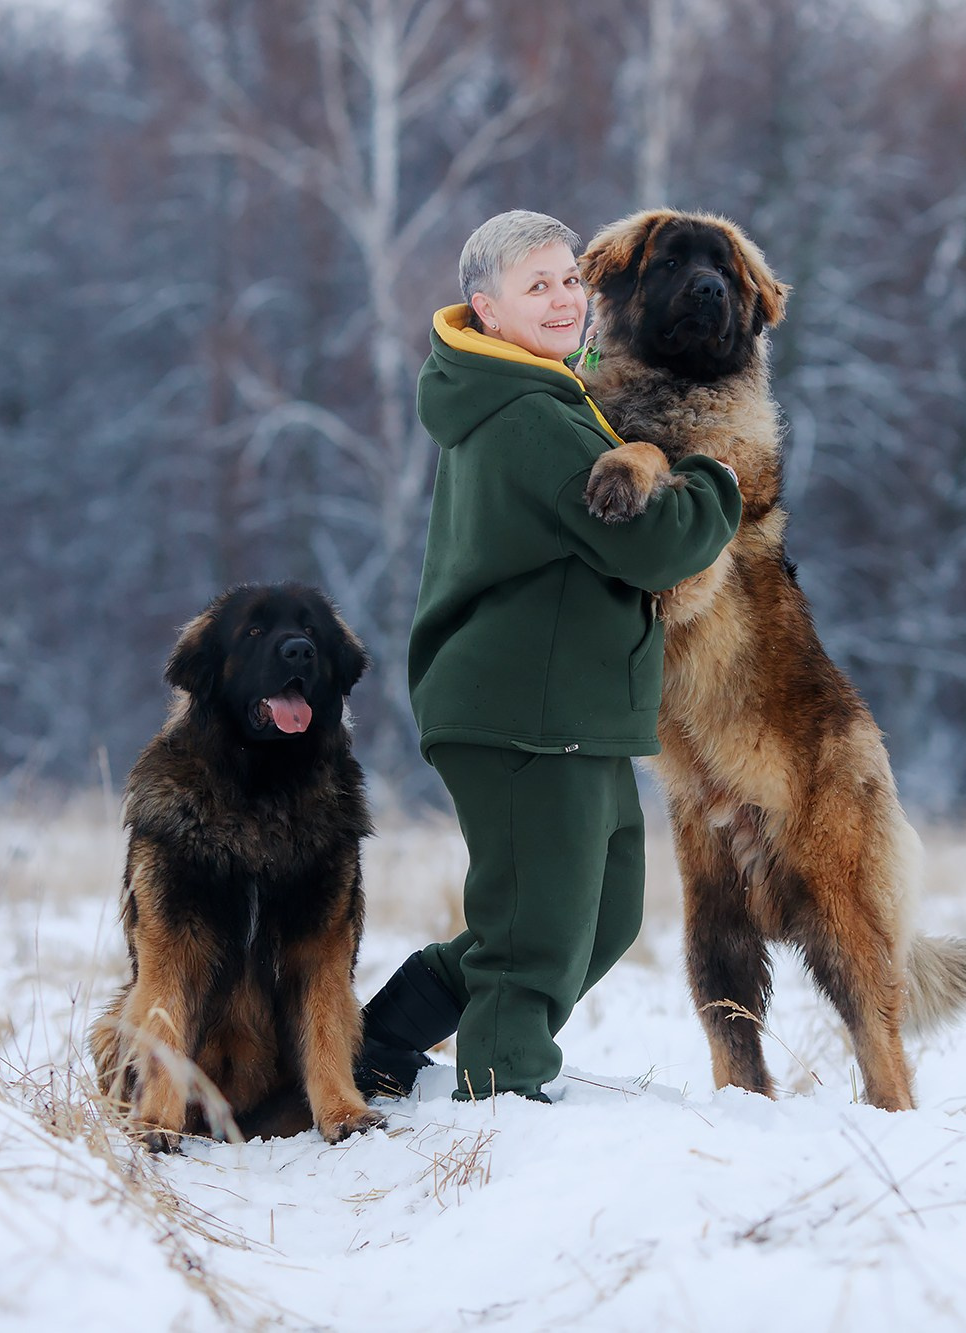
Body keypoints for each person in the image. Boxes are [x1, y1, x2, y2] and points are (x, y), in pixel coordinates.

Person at [355, 210, 743, 1103]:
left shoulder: (549, 396)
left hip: (572, 712)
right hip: (523, 711)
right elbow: (653, 544)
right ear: (487, 310)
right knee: (538, 934)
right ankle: (503, 1101)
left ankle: (379, 1041)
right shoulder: (529, 414)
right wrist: (720, 474)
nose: (566, 298)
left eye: (570, 278)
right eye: (539, 286)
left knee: (599, 920)